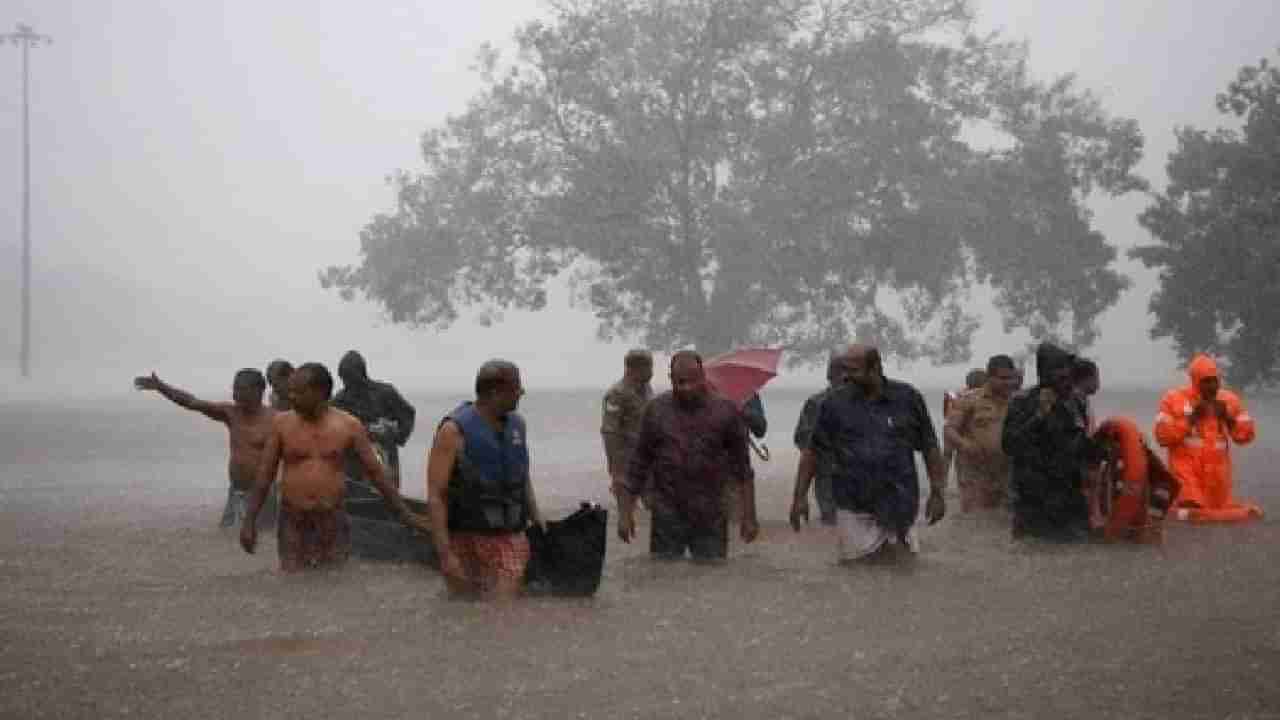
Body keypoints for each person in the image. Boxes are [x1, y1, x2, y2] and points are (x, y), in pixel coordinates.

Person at [239, 363, 425, 572]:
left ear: (319, 392)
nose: (291, 396)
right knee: (291, 583)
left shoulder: (349, 426)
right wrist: (249, 521)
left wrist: (406, 515)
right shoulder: (281, 424)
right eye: (290, 390)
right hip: (293, 518)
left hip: (332, 518)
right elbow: (265, 476)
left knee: (335, 581)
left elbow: (377, 475)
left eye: (299, 392)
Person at [789, 344, 946, 562]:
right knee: (857, 569)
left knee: (902, 566)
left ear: (875, 368)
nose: (846, 377)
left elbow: (930, 447)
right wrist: (799, 497)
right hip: (853, 505)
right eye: (843, 370)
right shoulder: (834, 404)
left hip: (899, 500)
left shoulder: (908, 399)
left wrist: (938, 492)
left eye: (853, 371)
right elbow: (812, 452)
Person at [617, 351, 759, 562]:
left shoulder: (726, 411)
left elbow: (743, 469)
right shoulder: (655, 410)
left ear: (703, 377)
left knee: (712, 574)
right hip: (667, 513)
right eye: (680, 382)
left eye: (692, 381)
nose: (686, 388)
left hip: (710, 513)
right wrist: (625, 514)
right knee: (663, 573)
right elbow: (639, 464)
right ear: (670, 379)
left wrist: (749, 516)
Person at [426, 361, 543, 599]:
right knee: (466, 612)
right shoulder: (452, 431)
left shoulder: (518, 426)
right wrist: (445, 555)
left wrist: (535, 512)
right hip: (465, 537)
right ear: (495, 392)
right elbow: (436, 495)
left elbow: (521, 474)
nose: (522, 392)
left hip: (509, 536)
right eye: (516, 386)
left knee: (502, 613)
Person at [134, 369, 278, 529]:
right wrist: (161, 387)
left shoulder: (275, 419)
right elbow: (192, 402)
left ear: (258, 390)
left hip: (263, 495)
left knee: (264, 540)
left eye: (241, 390)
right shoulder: (231, 413)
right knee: (228, 540)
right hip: (236, 493)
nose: (236, 395)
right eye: (234, 389)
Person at [1002, 343, 1099, 541]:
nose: (1067, 379)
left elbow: (1080, 444)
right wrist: (1039, 415)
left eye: (1068, 373)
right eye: (1060, 374)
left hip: (1071, 498)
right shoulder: (1023, 402)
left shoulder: (1076, 403)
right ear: (1045, 375)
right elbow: (1009, 445)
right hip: (1034, 500)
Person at [1153, 354, 1261, 523]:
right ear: (1195, 381)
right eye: (1206, 381)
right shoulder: (1173, 399)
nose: (1211, 386)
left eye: (1214, 380)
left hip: (1218, 480)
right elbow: (1162, 437)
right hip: (1186, 476)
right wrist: (1191, 419)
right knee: (1195, 515)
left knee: (1216, 516)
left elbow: (1246, 436)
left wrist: (1228, 418)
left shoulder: (1229, 400)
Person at [944, 355, 1019, 512]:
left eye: (1010, 378)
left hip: (1006, 474)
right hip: (975, 475)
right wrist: (965, 444)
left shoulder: (1018, 402)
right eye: (1002, 378)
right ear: (989, 377)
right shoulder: (969, 399)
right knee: (975, 521)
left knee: (1002, 523)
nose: (1008, 383)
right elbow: (949, 430)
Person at [333, 350, 416, 489]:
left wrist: (395, 434)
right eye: (344, 378)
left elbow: (407, 414)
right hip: (353, 463)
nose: (348, 382)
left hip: (385, 459)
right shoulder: (339, 400)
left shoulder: (385, 392)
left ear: (361, 373)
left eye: (351, 377)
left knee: (387, 499)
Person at [792, 352, 841, 526]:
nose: (845, 378)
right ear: (829, 375)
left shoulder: (868, 404)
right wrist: (800, 496)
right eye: (840, 372)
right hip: (828, 481)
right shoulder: (816, 404)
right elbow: (807, 449)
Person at [601, 349, 654, 502]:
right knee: (627, 516)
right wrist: (616, 473)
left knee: (656, 506)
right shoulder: (617, 394)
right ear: (634, 369)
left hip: (648, 462)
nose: (652, 372)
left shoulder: (646, 389)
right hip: (627, 464)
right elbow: (609, 433)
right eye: (649, 368)